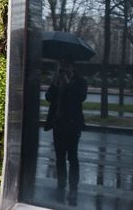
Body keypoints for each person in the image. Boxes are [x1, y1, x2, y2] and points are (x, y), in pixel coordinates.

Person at [44, 59, 87, 205]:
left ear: (73, 67)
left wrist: (68, 84)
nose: (64, 69)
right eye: (62, 67)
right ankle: (60, 185)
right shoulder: (57, 81)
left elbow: (79, 98)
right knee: (59, 158)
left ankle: (73, 188)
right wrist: (54, 85)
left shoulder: (80, 82)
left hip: (73, 126)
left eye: (67, 66)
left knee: (72, 158)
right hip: (58, 125)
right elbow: (48, 97)